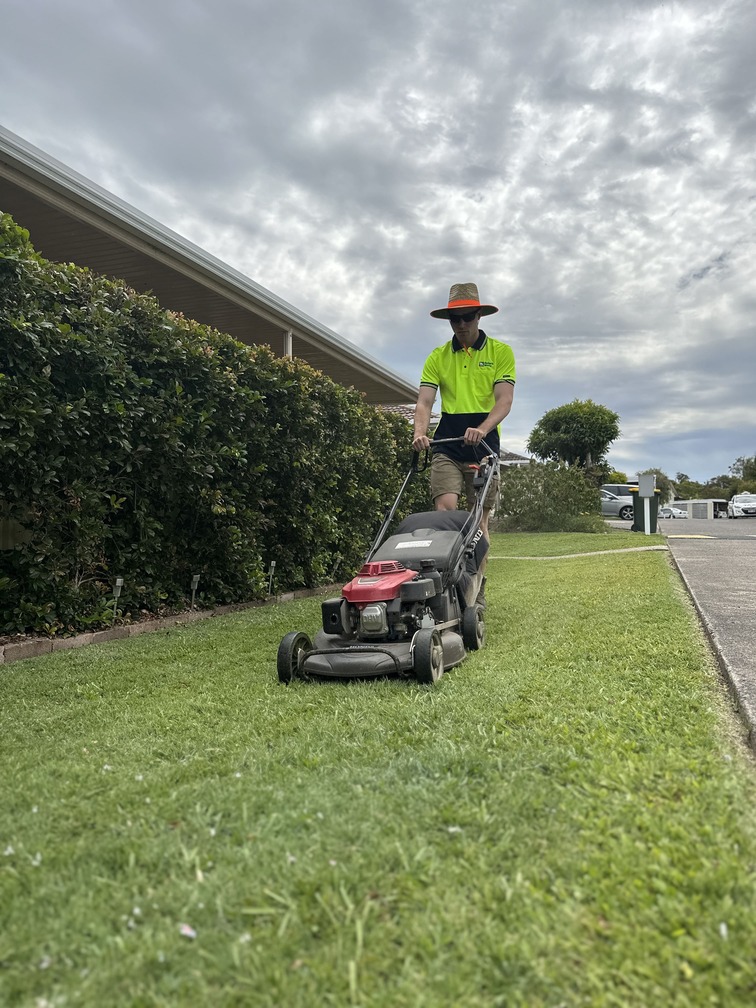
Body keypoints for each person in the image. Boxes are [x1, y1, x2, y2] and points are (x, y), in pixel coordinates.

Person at [412, 282, 516, 541]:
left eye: (467, 316)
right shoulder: (437, 357)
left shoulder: (500, 352)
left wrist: (481, 429)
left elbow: (504, 401)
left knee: (478, 520)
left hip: (484, 445)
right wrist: (419, 433)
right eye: (454, 318)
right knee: (444, 514)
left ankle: (474, 580)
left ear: (479, 316)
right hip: (447, 444)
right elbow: (425, 402)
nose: (461, 323)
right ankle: (449, 579)